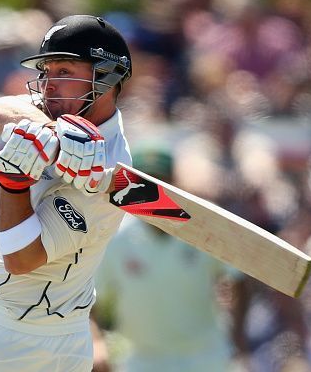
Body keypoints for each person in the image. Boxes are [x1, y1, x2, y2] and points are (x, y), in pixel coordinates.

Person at [0, 14, 133, 371]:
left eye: (64, 71)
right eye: (46, 72)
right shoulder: (60, 112)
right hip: (0, 324)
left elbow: (21, 259)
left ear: (106, 76)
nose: (48, 86)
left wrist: (13, 182)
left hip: (22, 339)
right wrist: (52, 137)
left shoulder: (111, 173)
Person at [93, 143, 246, 372]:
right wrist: (96, 344)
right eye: (144, 183)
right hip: (142, 359)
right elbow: (90, 301)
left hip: (205, 356)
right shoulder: (116, 236)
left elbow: (239, 279)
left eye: (160, 181)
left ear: (175, 182)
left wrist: (237, 334)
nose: (151, 192)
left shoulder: (203, 226)